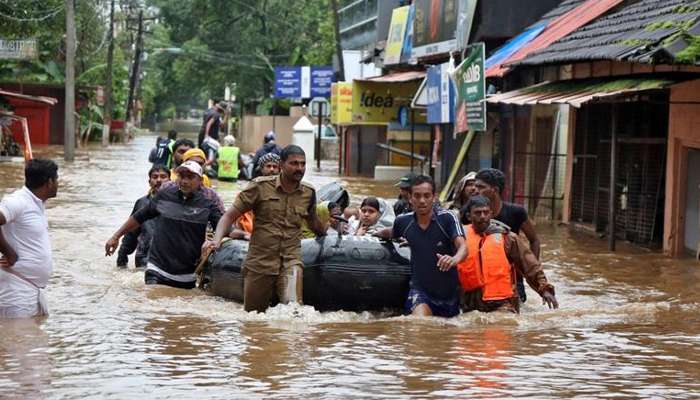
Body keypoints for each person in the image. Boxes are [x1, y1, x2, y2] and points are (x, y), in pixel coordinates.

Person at [206, 145, 327, 313]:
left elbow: (313, 222)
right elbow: (228, 216)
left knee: (293, 312)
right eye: (294, 163)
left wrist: (329, 237)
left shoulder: (308, 192)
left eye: (302, 164)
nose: (299, 168)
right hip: (260, 262)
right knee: (254, 317)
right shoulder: (259, 187)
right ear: (282, 165)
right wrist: (217, 240)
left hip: (290, 260)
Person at [105, 161, 223, 289]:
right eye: (182, 176)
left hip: (188, 274)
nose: (184, 181)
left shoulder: (208, 203)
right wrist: (115, 237)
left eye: (190, 177)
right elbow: (139, 217)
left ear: (200, 180)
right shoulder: (164, 195)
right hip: (157, 268)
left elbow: (224, 226)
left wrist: (215, 240)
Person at [375, 175, 467, 318]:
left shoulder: (448, 218)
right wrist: (371, 233)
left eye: (426, 196)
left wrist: (454, 259)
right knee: (420, 326)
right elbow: (391, 232)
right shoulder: (403, 221)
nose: (422, 201)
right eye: (417, 196)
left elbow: (463, 247)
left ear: (434, 197)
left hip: (449, 295)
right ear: (410, 198)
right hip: (420, 292)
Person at [458, 196, 558, 313]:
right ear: (469, 216)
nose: (482, 216)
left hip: (502, 302)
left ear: (491, 214)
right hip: (468, 302)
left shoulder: (508, 238)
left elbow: (530, 265)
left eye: (486, 212)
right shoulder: (459, 238)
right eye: (478, 213)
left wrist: (544, 289)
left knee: (504, 326)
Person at [0, 159, 58, 317]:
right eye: (57, 178)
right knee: (17, 340)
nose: (58, 183)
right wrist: (8, 252)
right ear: (49, 182)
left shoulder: (36, 203)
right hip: (16, 290)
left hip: (32, 289)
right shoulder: (18, 201)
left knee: (33, 339)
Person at [475, 168, 541, 302]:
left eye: (481, 187)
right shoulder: (471, 213)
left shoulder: (516, 212)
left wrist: (530, 269)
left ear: (495, 190)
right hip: (483, 279)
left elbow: (534, 240)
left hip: (513, 279)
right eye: (475, 186)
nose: (475, 190)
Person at [116, 165, 171, 269]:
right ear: (149, 181)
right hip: (144, 259)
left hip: (167, 259)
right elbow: (131, 233)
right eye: (155, 177)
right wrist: (121, 259)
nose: (159, 180)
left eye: (163, 177)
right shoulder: (142, 203)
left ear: (170, 181)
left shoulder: (177, 203)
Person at [232, 152, 281, 238]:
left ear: (279, 170)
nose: (272, 169)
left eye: (275, 167)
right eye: (268, 166)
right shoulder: (253, 188)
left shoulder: (284, 190)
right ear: (262, 169)